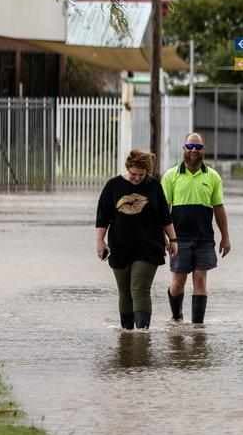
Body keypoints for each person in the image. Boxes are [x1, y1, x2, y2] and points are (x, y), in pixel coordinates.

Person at [96, 149, 177, 330]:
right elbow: (102, 217)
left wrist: (173, 239)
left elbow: (164, 215)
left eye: (141, 175)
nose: (137, 178)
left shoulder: (154, 186)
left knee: (139, 289)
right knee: (124, 292)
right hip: (120, 245)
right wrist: (100, 242)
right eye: (133, 174)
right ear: (128, 168)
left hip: (148, 246)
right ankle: (127, 335)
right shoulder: (113, 186)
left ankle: (141, 336)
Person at [163, 133, 231, 324]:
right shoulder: (170, 176)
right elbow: (162, 211)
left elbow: (219, 208)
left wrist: (225, 237)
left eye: (198, 147)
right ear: (184, 148)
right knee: (178, 282)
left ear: (203, 151)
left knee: (200, 279)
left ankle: (197, 327)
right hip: (179, 239)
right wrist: (165, 238)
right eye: (190, 146)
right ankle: (176, 317)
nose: (194, 150)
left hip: (204, 239)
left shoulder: (213, 177)